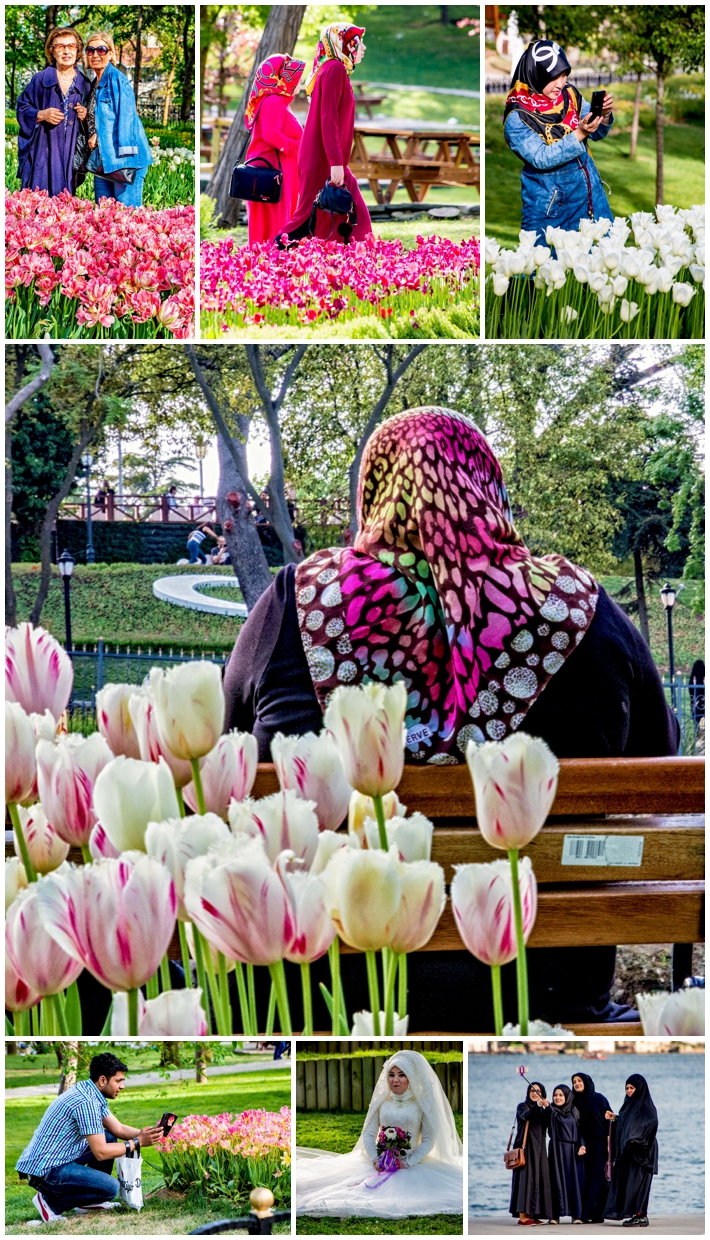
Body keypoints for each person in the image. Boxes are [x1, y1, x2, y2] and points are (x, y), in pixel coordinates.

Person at [222, 407, 679, 1031]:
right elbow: (660, 755)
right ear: (489, 494)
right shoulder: (580, 611)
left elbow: (228, 760)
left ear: (373, 498)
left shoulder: (295, 601)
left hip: (320, 999)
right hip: (544, 1000)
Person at [296, 1051, 463, 1218]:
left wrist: (406, 1162)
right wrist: (376, 1159)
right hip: (379, 1161)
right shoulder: (382, 1103)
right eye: (391, 1075)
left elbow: (428, 1141)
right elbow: (368, 1134)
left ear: (411, 1077)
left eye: (401, 1075)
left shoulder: (421, 1106)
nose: (395, 1080)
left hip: (411, 1164)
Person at [15, 1052, 163, 1225]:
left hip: (54, 1159)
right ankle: (50, 1204)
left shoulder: (90, 1092)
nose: (122, 1086)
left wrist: (150, 1134)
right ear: (102, 1080)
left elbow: (119, 1129)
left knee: (108, 1136)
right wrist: (137, 1142)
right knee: (111, 1188)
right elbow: (101, 1152)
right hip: (46, 1171)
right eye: (119, 1080)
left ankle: (89, 1203)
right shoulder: (86, 1102)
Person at [503, 41, 614, 246]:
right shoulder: (517, 116)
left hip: (592, 200)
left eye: (564, 76)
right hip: (551, 211)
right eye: (553, 78)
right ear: (535, 74)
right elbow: (542, 158)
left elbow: (596, 133)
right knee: (544, 272)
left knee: (602, 268)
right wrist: (580, 133)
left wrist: (604, 115)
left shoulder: (569, 95)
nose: (560, 84)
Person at [280, 23, 372, 245]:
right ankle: (271, 252)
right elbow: (327, 120)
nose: (364, 48)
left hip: (325, 158)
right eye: (357, 42)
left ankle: (340, 258)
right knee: (307, 217)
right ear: (342, 44)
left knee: (332, 214)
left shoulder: (334, 69)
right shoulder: (334, 69)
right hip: (322, 160)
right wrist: (336, 163)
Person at [16, 27, 91, 196]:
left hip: (70, 154)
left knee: (62, 210)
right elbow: (22, 107)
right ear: (52, 51)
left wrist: (86, 115)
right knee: (38, 203)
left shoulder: (85, 84)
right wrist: (41, 114)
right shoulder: (41, 79)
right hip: (44, 151)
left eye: (71, 46)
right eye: (60, 47)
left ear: (78, 50)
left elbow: (95, 120)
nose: (66, 51)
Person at [83, 32, 152, 206]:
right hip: (104, 159)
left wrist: (98, 135)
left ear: (111, 54)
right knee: (103, 217)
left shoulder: (116, 80)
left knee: (126, 218)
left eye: (101, 49)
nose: (95, 54)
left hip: (124, 160)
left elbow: (126, 119)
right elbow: (103, 117)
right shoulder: (94, 84)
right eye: (90, 50)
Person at [243, 54, 306, 245]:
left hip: (279, 170)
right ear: (283, 78)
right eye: (296, 78)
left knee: (281, 221)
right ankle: (270, 265)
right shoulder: (273, 102)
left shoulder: (278, 101)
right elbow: (272, 136)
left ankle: (273, 265)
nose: (299, 82)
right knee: (274, 226)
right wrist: (299, 147)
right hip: (272, 173)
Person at [604, 1075, 658, 1228]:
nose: (628, 1091)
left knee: (639, 1184)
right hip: (630, 1151)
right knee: (630, 1183)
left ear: (639, 1089)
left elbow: (651, 1124)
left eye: (632, 1088)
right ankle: (636, 1214)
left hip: (643, 1152)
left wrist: (638, 1140)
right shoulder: (629, 1105)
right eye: (627, 1088)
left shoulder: (646, 1107)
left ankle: (641, 1215)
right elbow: (629, 1123)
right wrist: (616, 1118)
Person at [509, 1082, 552, 1225]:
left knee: (539, 1180)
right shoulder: (523, 1106)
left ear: (542, 1093)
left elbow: (551, 1125)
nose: (534, 1093)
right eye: (531, 1090)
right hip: (525, 1149)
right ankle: (523, 1217)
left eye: (537, 1091)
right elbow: (526, 1116)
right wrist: (538, 1106)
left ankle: (533, 1215)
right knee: (525, 1180)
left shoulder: (542, 1109)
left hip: (540, 1151)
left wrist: (549, 1107)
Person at [571, 1072, 612, 1223]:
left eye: (579, 1080)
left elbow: (609, 1122)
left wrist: (609, 1144)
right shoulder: (573, 1101)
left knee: (598, 1179)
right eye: (574, 1081)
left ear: (587, 1082)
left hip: (599, 1145)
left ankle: (592, 1213)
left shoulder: (599, 1099)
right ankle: (585, 1213)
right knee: (584, 1179)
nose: (576, 1083)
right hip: (581, 1146)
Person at [548, 1085, 585, 1224]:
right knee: (555, 1180)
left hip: (573, 1150)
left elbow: (581, 1130)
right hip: (557, 1149)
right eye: (555, 1095)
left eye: (561, 1095)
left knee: (574, 1181)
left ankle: (577, 1215)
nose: (557, 1098)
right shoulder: (551, 1111)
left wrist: (582, 1144)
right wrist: (546, 1106)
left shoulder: (575, 1111)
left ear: (567, 1096)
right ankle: (554, 1215)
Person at [688, 658, 705, 726]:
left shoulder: (693, 679)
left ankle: (698, 734)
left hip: (696, 702)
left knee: (697, 722)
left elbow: (690, 690)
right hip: (703, 701)